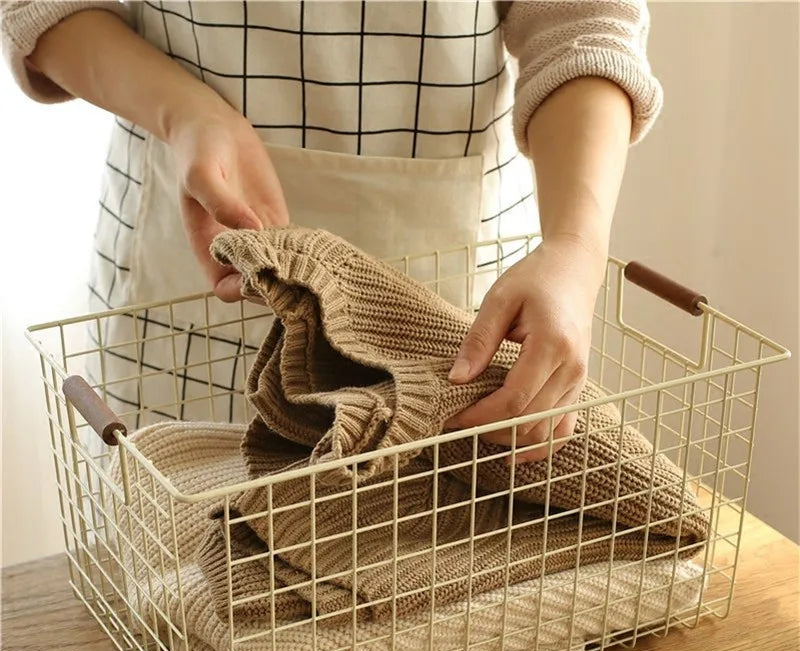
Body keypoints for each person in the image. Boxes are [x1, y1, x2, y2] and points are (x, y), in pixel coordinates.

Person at [1, 1, 662, 461]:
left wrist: (575, 248)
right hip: (184, 293)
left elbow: (583, 20)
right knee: (167, 596)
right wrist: (184, 114)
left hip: (449, 301)